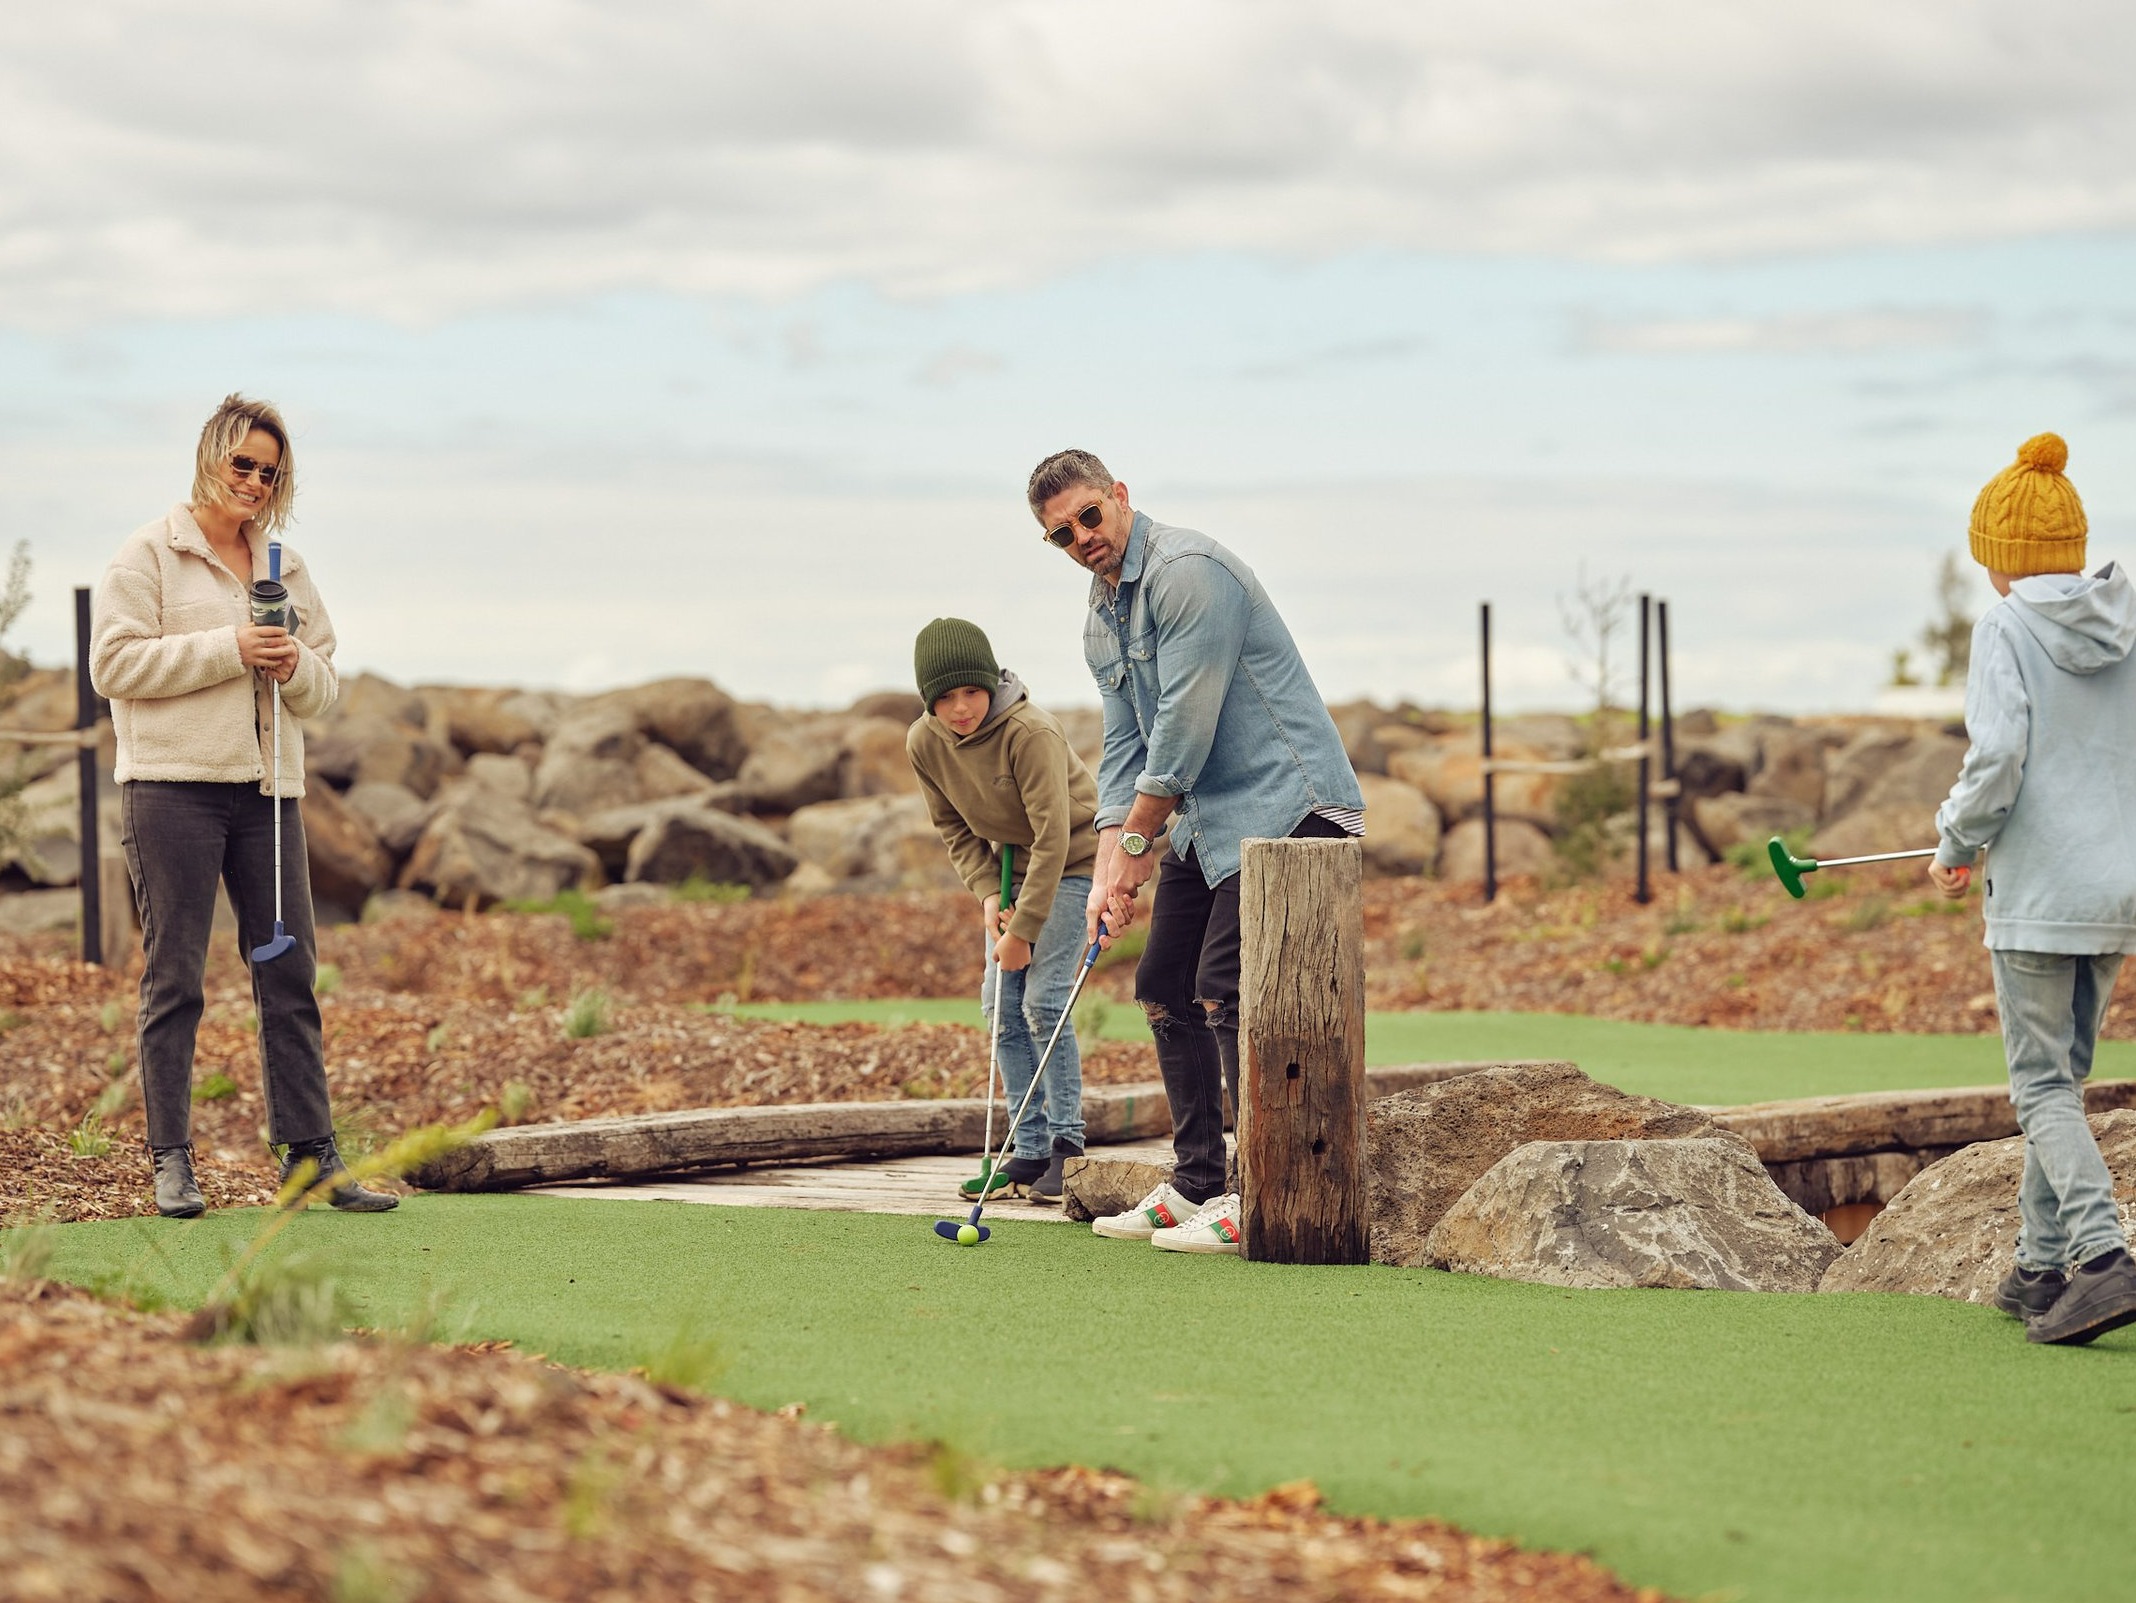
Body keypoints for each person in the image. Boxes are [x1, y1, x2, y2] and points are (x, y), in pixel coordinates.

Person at [1026, 449, 1364, 1255]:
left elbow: (1182, 728)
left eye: (1089, 517)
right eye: (1060, 534)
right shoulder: (1099, 617)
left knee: (1225, 985)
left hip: (1293, 805)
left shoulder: (1188, 572)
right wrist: (1112, 864)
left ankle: (1263, 1188)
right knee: (1162, 983)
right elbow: (1124, 747)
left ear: (1120, 497)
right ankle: (1197, 1182)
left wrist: (1140, 839)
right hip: (1206, 819)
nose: (1081, 538)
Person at [91, 393, 396, 1218]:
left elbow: (323, 686)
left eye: (271, 469)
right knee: (176, 980)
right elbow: (112, 665)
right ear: (212, 456)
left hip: (269, 797)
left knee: (288, 973)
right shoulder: (149, 553)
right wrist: (230, 648)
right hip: (171, 793)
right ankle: (171, 1163)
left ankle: (311, 1157)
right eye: (244, 463)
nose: (257, 480)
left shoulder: (286, 568)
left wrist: (291, 663)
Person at [1930, 431, 2136, 1345]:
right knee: (2068, 1079)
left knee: (2041, 1087)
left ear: (2004, 561)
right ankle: (2038, 1266)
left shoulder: (2006, 626)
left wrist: (1956, 839)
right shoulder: (2125, 623)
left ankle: (2101, 1259)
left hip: (2039, 895)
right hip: (2117, 892)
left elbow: (1999, 753)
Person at [906, 617, 1099, 1204]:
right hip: (1013, 867)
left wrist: (1023, 929)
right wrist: (990, 894)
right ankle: (1029, 1145)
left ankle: (1068, 1149)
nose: (961, 708)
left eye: (971, 691)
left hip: (1076, 861)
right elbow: (953, 828)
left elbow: (1054, 837)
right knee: (999, 1005)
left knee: (1042, 1001)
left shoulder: (1029, 732)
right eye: (945, 697)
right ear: (928, 701)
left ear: (990, 683)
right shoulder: (924, 742)